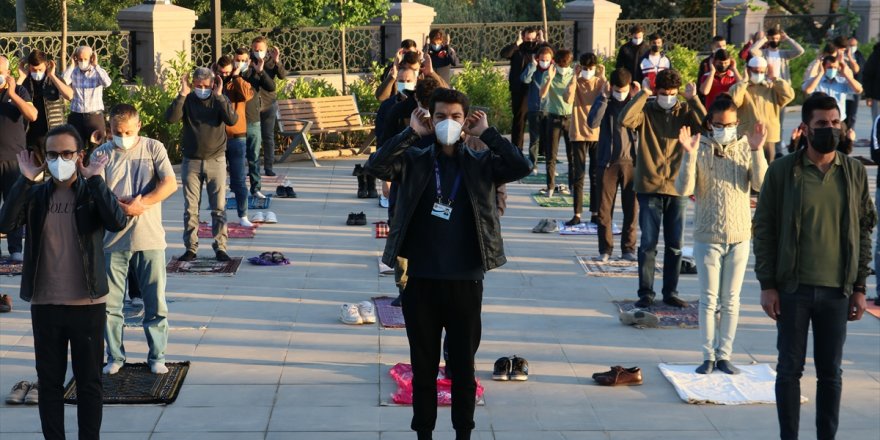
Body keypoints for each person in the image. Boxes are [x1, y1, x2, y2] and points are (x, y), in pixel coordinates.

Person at [364, 88, 531, 440]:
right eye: (440, 116)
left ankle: (463, 433)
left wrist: (486, 134)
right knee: (423, 367)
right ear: (430, 118)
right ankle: (423, 432)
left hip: (465, 280)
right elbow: (376, 165)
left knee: (462, 369)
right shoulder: (414, 158)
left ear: (466, 120)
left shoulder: (480, 162)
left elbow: (522, 165)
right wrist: (411, 132)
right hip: (420, 280)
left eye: (456, 117)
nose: (448, 123)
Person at [753, 93, 875, 440]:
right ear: (804, 129)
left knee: (831, 374)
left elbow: (864, 230)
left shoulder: (852, 172)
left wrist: (861, 287)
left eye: (835, 123)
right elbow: (764, 229)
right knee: (789, 370)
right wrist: (767, 284)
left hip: (838, 290)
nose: (831, 129)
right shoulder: (782, 171)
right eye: (822, 124)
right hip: (793, 289)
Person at [0, 124, 126, 440]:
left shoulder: (91, 191)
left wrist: (95, 178)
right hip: (46, 304)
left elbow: (116, 220)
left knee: (89, 383)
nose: (60, 160)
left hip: (88, 304)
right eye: (53, 154)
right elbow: (5, 223)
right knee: (50, 382)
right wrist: (25, 180)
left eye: (67, 153)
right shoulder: (37, 194)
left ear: (79, 155)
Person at [674, 96, 768, 375]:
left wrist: (757, 151)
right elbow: (684, 188)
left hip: (739, 236)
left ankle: (725, 355)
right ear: (709, 123)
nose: (724, 128)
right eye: (718, 124)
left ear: (737, 123)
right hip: (707, 236)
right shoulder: (698, 148)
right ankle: (708, 356)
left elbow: (761, 185)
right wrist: (689, 155)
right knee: (708, 299)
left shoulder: (745, 147)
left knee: (731, 300)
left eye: (729, 124)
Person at [93, 104, 177, 376]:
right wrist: (119, 206)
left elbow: (169, 183)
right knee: (111, 306)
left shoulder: (154, 148)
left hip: (149, 238)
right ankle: (115, 356)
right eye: (118, 132)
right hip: (112, 241)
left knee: (155, 303)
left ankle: (157, 356)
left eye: (128, 131)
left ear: (139, 126)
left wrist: (142, 204)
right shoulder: (102, 154)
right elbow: (95, 191)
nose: (123, 136)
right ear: (109, 130)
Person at [620, 69, 705, 309]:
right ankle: (646, 292)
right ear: (656, 92)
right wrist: (643, 94)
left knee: (675, 244)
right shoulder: (646, 110)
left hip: (678, 187)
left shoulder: (685, 111)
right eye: (663, 93)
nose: (668, 97)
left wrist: (693, 100)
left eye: (672, 93)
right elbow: (624, 120)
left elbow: (707, 127)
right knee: (648, 243)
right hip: (649, 185)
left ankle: (670, 292)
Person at [165, 67, 238, 262]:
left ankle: (220, 247)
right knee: (191, 208)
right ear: (193, 84)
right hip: (192, 161)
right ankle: (191, 248)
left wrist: (221, 96)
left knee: (219, 207)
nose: (202, 89)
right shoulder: (188, 100)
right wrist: (182, 93)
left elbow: (232, 120)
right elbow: (171, 118)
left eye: (206, 86)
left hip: (216, 160)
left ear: (213, 84)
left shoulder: (219, 100)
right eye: (199, 86)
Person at [587, 68, 639, 262]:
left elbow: (641, 124)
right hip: (607, 163)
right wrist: (603, 98)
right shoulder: (605, 102)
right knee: (603, 210)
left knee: (631, 210)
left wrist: (637, 98)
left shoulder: (635, 103)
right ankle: (605, 249)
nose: (621, 93)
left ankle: (628, 248)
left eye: (624, 89)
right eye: (617, 89)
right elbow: (592, 123)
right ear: (612, 87)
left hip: (631, 163)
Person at [0, 56, 37, 262]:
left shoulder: (19, 92)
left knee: (14, 204)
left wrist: (13, 93)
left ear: (7, 73)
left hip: (14, 159)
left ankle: (15, 248)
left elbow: (33, 115)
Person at [728, 56, 795, 163]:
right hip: (747, 135)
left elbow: (789, 96)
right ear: (748, 70)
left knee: (769, 168)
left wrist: (775, 78)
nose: (758, 74)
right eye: (755, 71)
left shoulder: (772, 87)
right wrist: (744, 81)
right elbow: (734, 102)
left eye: (761, 72)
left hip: (768, 136)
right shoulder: (740, 88)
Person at [564, 53, 605, 225]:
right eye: (585, 68)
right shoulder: (576, 82)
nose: (588, 71)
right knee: (578, 176)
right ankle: (577, 214)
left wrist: (603, 77)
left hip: (596, 134)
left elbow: (607, 95)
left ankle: (595, 212)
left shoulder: (598, 82)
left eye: (591, 68)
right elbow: (567, 98)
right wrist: (574, 76)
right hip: (578, 133)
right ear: (580, 66)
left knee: (595, 175)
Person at [217, 55, 255, 227]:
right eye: (221, 72)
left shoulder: (238, 82)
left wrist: (236, 76)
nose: (224, 75)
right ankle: (218, 217)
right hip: (217, 138)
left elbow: (247, 95)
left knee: (238, 179)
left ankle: (243, 215)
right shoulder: (213, 83)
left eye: (227, 72)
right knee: (217, 181)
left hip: (237, 136)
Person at [234, 47, 275, 199]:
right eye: (238, 60)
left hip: (252, 121)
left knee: (254, 157)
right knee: (236, 158)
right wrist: (233, 75)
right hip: (236, 123)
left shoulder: (254, 73)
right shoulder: (230, 75)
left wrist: (261, 71)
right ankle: (236, 188)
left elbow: (271, 87)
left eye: (244, 60)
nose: (240, 63)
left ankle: (256, 188)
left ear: (249, 61)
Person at [500, 26, 547, 154]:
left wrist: (543, 41)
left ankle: (542, 151)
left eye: (533, 39)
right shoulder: (517, 50)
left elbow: (554, 54)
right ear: (523, 37)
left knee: (541, 119)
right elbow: (504, 54)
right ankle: (516, 148)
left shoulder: (540, 49)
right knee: (519, 119)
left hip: (537, 89)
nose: (530, 41)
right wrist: (517, 43)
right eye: (527, 38)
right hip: (520, 89)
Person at [60, 46, 112, 156]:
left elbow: (107, 83)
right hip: (76, 115)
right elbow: (63, 81)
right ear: (76, 58)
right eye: (80, 59)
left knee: (97, 149)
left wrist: (96, 65)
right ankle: (77, 172)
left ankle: (94, 172)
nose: (82, 62)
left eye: (85, 59)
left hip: (94, 116)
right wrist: (72, 65)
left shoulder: (97, 71)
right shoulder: (73, 72)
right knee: (74, 148)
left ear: (91, 58)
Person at [17, 50, 67, 163]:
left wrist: (52, 76)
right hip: (31, 135)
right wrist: (21, 77)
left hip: (54, 131)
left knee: (54, 169)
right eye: (34, 70)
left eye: (40, 69)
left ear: (47, 65)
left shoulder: (54, 79)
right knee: (35, 173)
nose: (37, 72)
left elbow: (69, 95)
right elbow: (11, 97)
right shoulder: (24, 82)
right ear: (29, 67)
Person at [538, 49, 575, 197]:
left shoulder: (573, 74)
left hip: (570, 117)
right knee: (551, 155)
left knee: (571, 155)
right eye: (561, 63)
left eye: (565, 64)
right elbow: (542, 94)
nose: (563, 66)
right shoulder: (549, 73)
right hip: (553, 117)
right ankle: (550, 186)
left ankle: (572, 187)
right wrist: (550, 79)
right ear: (556, 62)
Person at [250, 36, 286, 177]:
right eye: (255, 49)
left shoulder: (271, 63)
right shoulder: (249, 62)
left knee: (268, 137)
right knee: (253, 138)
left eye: (261, 50)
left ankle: (269, 167)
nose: (258, 52)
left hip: (269, 104)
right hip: (252, 105)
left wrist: (277, 61)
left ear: (266, 50)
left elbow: (283, 75)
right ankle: (254, 168)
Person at [519, 45, 553, 171]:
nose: (545, 62)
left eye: (547, 60)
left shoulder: (553, 71)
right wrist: (532, 65)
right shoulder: (534, 69)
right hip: (534, 108)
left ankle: (551, 165)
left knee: (550, 139)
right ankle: (533, 164)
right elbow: (524, 79)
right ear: (538, 59)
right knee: (534, 139)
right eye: (542, 59)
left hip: (550, 109)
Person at [802, 55, 863, 125]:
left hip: (838, 121)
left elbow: (859, 90)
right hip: (820, 121)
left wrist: (846, 75)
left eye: (835, 68)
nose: (833, 70)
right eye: (830, 67)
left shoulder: (842, 81)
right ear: (824, 67)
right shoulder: (816, 81)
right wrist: (820, 73)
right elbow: (807, 90)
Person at [844, 36, 866, 129]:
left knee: (852, 113)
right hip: (843, 87)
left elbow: (860, 70)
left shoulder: (859, 55)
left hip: (854, 88)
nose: (852, 47)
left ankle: (850, 132)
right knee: (843, 112)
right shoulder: (841, 55)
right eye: (850, 45)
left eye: (854, 45)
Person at [863, 42, 880, 122]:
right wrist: (868, 95)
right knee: (878, 123)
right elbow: (867, 75)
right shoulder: (876, 54)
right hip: (877, 97)